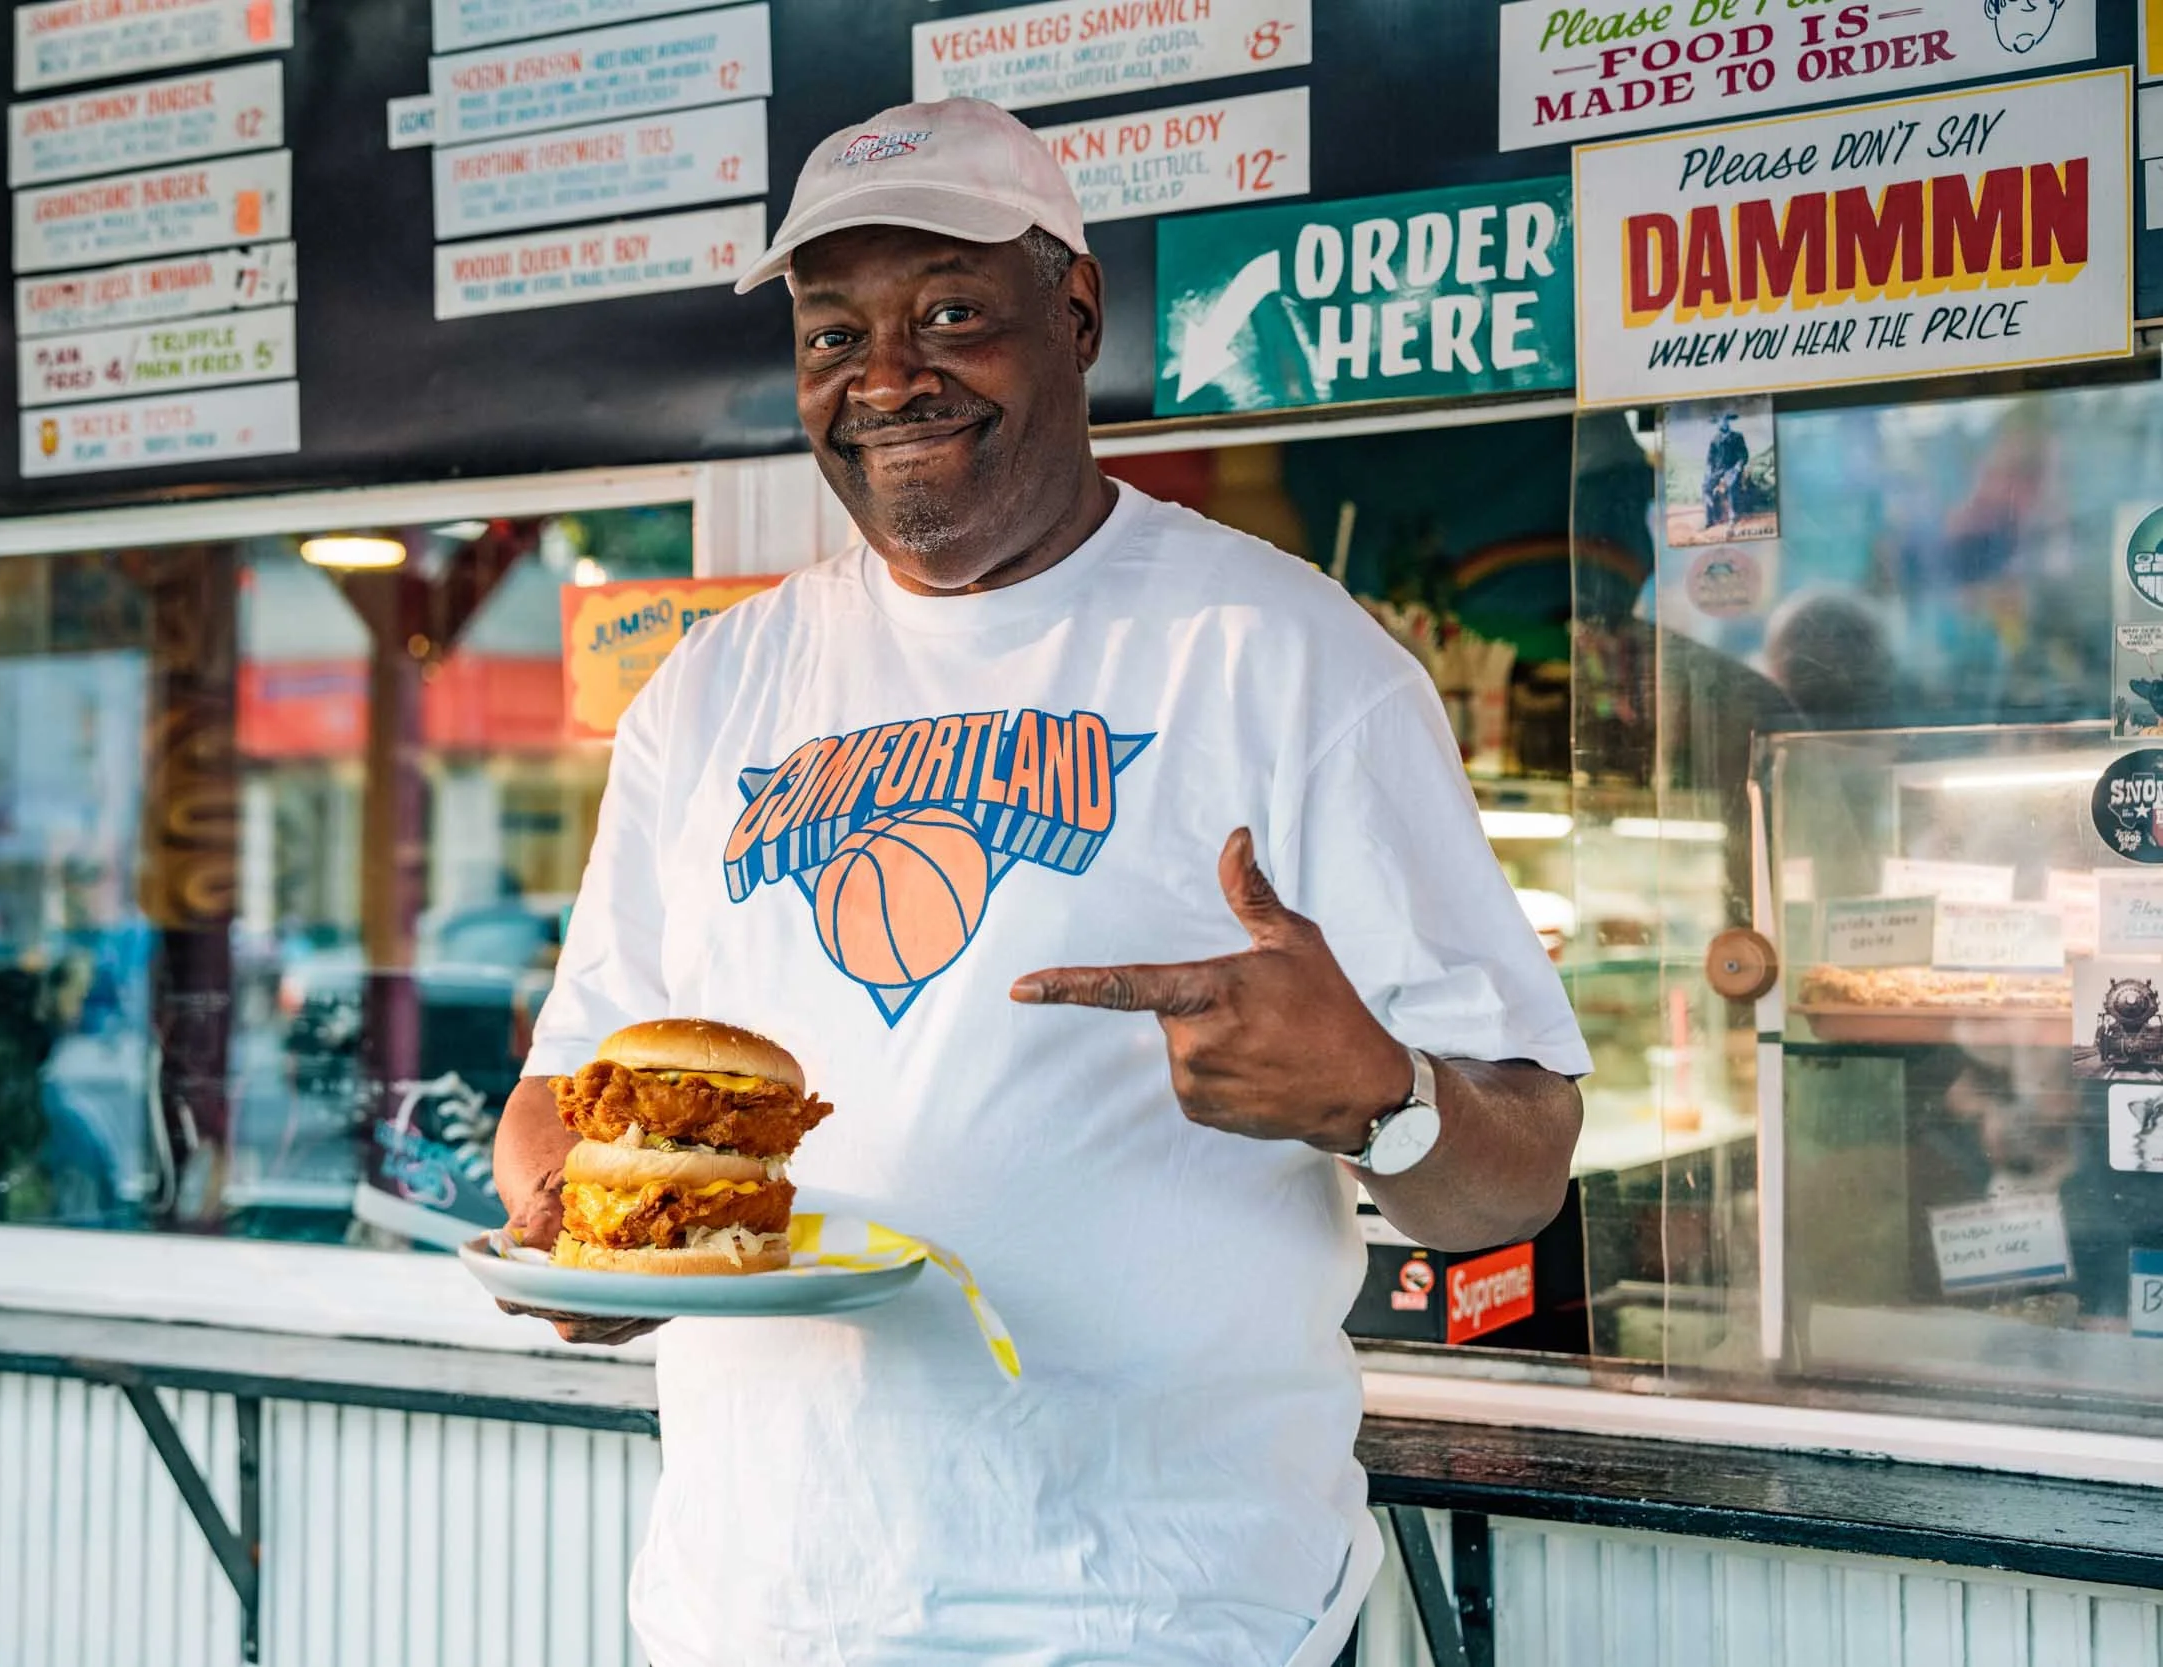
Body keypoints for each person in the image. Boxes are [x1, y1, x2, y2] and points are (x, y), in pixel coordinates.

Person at [491, 97, 1587, 1667]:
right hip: (754, 1613)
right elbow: (570, 1091)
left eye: (950, 310)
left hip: (1168, 1613)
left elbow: (1521, 1170)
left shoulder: (1283, 655)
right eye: (831, 334)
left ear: (1074, 315)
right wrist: (581, 1243)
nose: (885, 379)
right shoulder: (710, 692)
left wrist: (1379, 1096)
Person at [1702, 411, 1749, 531]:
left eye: (1725, 420)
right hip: (1718, 470)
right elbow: (1710, 459)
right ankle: (1710, 519)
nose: (1723, 423)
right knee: (1706, 487)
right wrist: (1708, 471)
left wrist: (1738, 467)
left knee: (1731, 485)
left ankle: (1733, 517)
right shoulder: (1714, 440)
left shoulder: (1737, 437)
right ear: (1717, 424)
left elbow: (1744, 455)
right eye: (1720, 421)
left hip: (1732, 468)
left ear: (1728, 422)